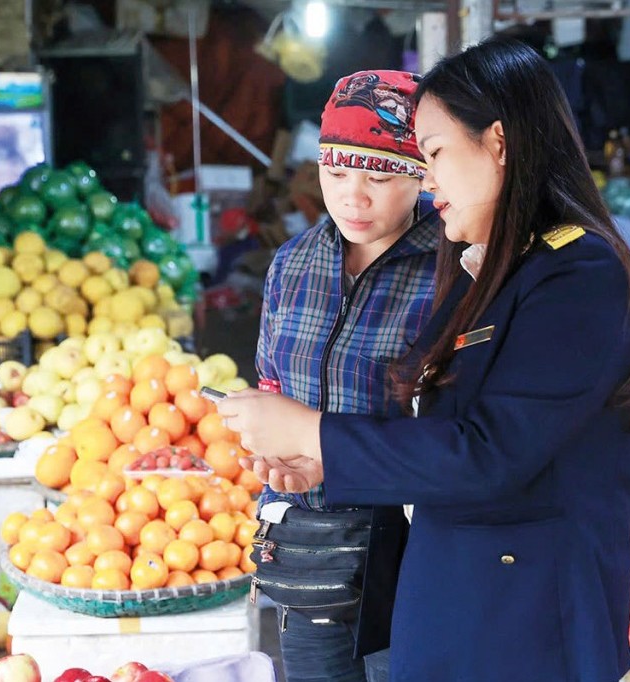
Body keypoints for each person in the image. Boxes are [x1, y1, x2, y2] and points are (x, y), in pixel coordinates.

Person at [218, 37, 630, 681]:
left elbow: (487, 453)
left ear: (498, 143)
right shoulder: (486, 264)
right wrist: (322, 461)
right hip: (452, 606)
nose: (427, 179)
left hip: (523, 629)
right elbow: (441, 431)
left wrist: (312, 431)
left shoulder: (577, 273)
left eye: (432, 154)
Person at [253, 70, 441, 682]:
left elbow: (458, 432)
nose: (353, 198)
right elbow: (272, 383)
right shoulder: (293, 264)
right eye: (336, 173)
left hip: (408, 556)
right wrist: (268, 450)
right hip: (309, 550)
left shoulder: (454, 269)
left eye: (379, 178)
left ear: (421, 174)